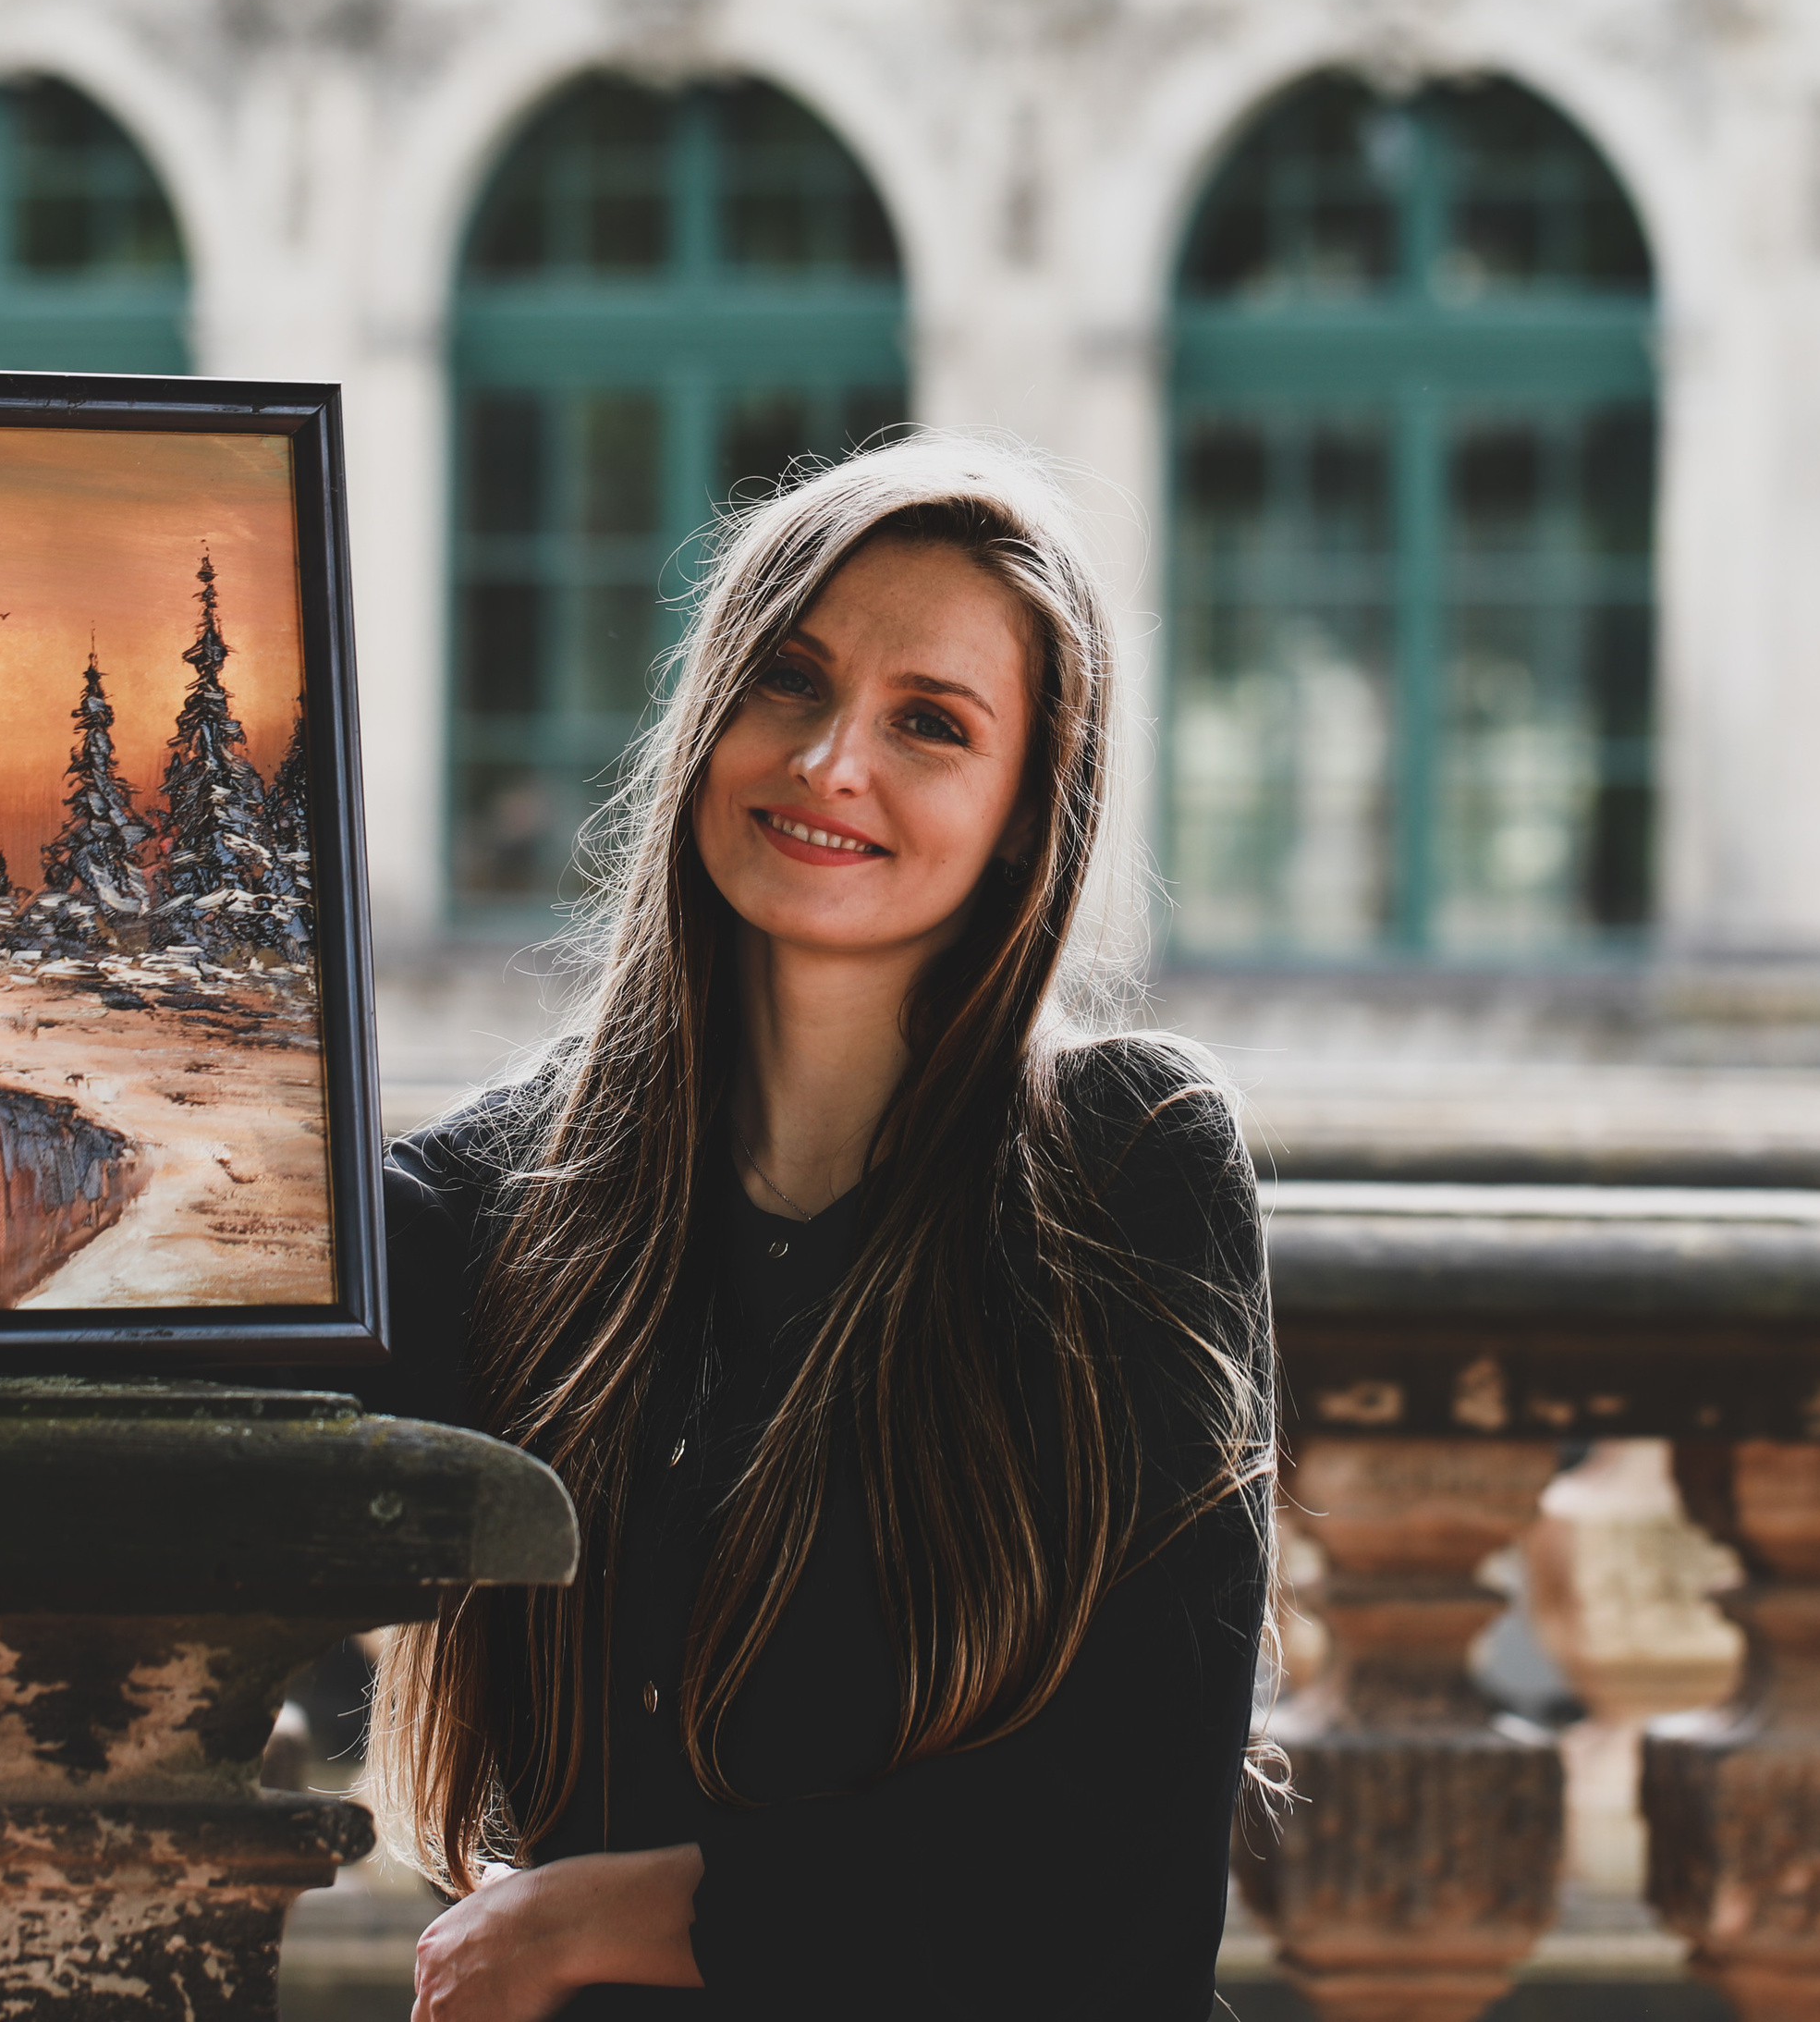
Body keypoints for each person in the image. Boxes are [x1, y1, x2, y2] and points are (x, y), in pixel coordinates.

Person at [367, 435, 1276, 2021]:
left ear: (1021, 810)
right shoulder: (506, 1190)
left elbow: (1122, 1877)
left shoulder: (1131, 1166)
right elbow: (161, 1346)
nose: (833, 761)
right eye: (788, 681)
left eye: (931, 723)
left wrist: (619, 1914)